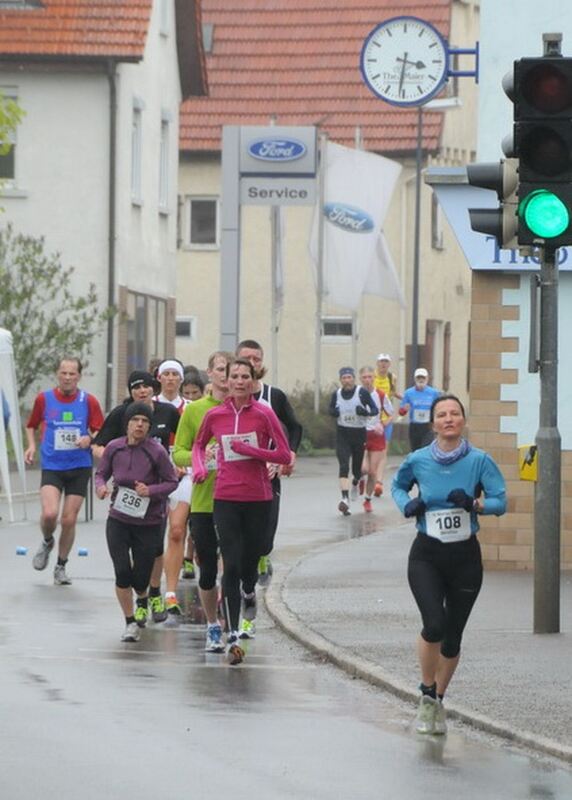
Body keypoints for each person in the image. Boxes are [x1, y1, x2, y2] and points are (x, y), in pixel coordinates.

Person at [391, 394, 506, 735]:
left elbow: (501, 500)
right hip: (427, 555)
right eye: (442, 414)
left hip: (465, 558)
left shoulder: (480, 461)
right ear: (433, 423)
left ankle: (439, 699)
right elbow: (398, 486)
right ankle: (427, 693)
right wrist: (408, 505)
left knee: (452, 638)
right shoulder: (418, 459)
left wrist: (475, 504)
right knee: (434, 625)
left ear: (463, 420)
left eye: (455, 413)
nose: (449, 419)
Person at [192, 358, 292, 665]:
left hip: (258, 497)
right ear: (226, 380)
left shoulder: (264, 414)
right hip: (225, 497)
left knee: (252, 560)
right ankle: (232, 635)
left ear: (252, 380)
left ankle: (250, 592)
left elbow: (284, 454)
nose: (238, 381)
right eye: (233, 376)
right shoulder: (215, 415)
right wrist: (198, 467)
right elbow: (198, 446)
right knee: (230, 566)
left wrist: (254, 452)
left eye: (244, 376)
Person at [92, 370, 180, 624]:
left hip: (150, 516)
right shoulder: (116, 444)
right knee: (122, 572)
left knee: (147, 564)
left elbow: (172, 478)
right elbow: (101, 471)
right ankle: (131, 619)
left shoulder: (158, 447)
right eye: (135, 420)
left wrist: (150, 491)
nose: (139, 424)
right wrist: (101, 486)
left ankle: (150, 594)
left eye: (144, 421)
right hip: (119, 517)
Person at [172, 350, 233, 653]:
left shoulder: (246, 409)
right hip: (205, 501)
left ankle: (233, 622)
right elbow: (179, 452)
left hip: (238, 500)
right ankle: (212, 626)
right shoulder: (195, 411)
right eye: (220, 369)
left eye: (229, 370)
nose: (225, 375)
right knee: (208, 569)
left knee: (235, 567)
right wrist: (200, 457)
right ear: (210, 373)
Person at [24, 357, 104, 585]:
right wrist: (31, 446)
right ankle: (48, 540)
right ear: (57, 374)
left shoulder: (88, 401)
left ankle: (61, 565)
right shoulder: (44, 399)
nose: (68, 377)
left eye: (72, 374)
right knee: (50, 514)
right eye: (64, 373)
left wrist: (89, 438)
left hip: (79, 465)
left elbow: (101, 429)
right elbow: (30, 425)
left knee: (68, 519)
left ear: (79, 376)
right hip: (52, 464)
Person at [236, 339, 302, 598]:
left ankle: (262, 554)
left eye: (256, 359)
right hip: (235, 476)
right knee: (237, 536)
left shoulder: (273, 396)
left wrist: (289, 454)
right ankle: (242, 585)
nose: (252, 364)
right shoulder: (228, 399)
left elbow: (294, 427)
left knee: (265, 535)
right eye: (247, 359)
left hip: (267, 474)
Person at [153, 359, 196, 619]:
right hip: (154, 478)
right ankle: (150, 588)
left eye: (175, 374)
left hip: (183, 475)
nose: (170, 378)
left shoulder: (190, 408)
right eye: (166, 374)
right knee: (151, 539)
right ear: (159, 378)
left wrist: (185, 461)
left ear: (181, 379)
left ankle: (170, 592)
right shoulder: (149, 406)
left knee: (178, 530)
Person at [328, 366, 378, 516]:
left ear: (353, 379)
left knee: (357, 470)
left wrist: (365, 412)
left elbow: (375, 410)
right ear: (340, 380)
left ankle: (356, 482)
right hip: (342, 434)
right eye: (344, 378)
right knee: (343, 466)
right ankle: (345, 500)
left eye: (349, 377)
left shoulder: (361, 393)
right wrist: (333, 412)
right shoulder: (336, 394)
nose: (347, 380)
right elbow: (330, 409)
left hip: (359, 434)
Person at [358, 366, 393, 513]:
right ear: (361, 379)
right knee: (363, 469)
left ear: (374, 378)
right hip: (360, 433)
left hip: (376, 435)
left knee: (372, 471)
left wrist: (384, 423)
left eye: (370, 377)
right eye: (364, 377)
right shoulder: (356, 394)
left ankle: (368, 499)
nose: (367, 380)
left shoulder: (380, 394)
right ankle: (360, 479)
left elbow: (390, 413)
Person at [373, 354, 401, 496]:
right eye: (381, 362)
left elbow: (393, 393)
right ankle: (366, 477)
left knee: (383, 452)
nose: (383, 364)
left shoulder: (392, 377)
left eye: (386, 362)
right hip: (371, 421)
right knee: (370, 451)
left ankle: (379, 483)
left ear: (389, 364)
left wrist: (407, 398)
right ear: (377, 363)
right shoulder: (371, 377)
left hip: (387, 420)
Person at [399, 368, 441, 452]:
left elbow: (439, 408)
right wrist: (404, 409)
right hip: (415, 425)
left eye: (423, 378)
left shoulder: (434, 393)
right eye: (418, 378)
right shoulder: (408, 393)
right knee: (415, 450)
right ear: (415, 379)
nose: (421, 381)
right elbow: (401, 412)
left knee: (426, 449)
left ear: (427, 379)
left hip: (428, 425)